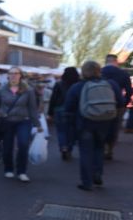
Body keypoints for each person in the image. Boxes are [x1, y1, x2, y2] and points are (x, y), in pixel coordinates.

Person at [65, 61, 124, 191]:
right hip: (105, 122)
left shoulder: (78, 86)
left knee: (86, 152)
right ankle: (97, 174)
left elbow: (68, 107)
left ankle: (87, 182)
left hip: (85, 123)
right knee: (99, 148)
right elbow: (120, 102)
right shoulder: (111, 84)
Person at [0, 67, 40, 182]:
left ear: (20, 75)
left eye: (16, 73)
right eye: (11, 73)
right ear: (8, 75)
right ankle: (8, 168)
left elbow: (32, 108)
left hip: (24, 120)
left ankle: (22, 171)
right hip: (7, 121)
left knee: (23, 144)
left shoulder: (29, 90)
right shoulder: (1, 90)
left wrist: (37, 124)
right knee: (7, 146)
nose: (13, 75)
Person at [100, 54, 132, 160]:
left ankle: (101, 147)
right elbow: (129, 91)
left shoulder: (100, 71)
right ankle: (109, 149)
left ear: (106, 61)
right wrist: (124, 103)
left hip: (100, 103)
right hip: (117, 104)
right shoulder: (123, 73)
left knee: (101, 125)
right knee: (114, 127)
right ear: (116, 61)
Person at [47, 66, 80, 160]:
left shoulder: (58, 84)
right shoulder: (78, 84)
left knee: (61, 131)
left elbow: (53, 99)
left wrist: (50, 113)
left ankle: (63, 147)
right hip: (74, 110)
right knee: (72, 131)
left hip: (60, 109)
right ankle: (69, 148)